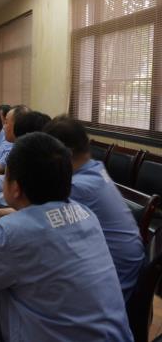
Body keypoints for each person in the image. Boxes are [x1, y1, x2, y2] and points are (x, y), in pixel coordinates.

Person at [0, 132, 133, 341]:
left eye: (6, 176)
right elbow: (34, 237)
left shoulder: (15, 232)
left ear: (15, 188)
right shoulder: (85, 213)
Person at [43, 115, 145, 301]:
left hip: (112, 282)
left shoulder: (78, 187)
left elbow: (38, 219)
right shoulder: (95, 168)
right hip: (119, 267)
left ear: (65, 154)